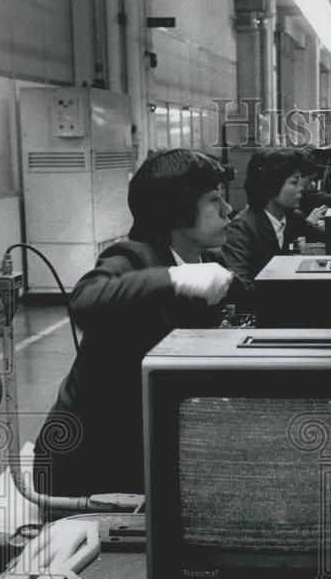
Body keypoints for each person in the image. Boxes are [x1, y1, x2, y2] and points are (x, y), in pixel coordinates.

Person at [34, 149, 235, 497]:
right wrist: (176, 279)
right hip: (87, 466)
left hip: (146, 447)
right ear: (177, 210)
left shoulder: (207, 257)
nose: (227, 209)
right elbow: (85, 300)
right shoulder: (133, 256)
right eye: (214, 199)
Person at [220, 148, 328, 283]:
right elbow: (239, 285)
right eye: (294, 182)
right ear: (271, 186)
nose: (302, 188)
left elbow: (326, 239)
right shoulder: (241, 229)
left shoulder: (294, 218)